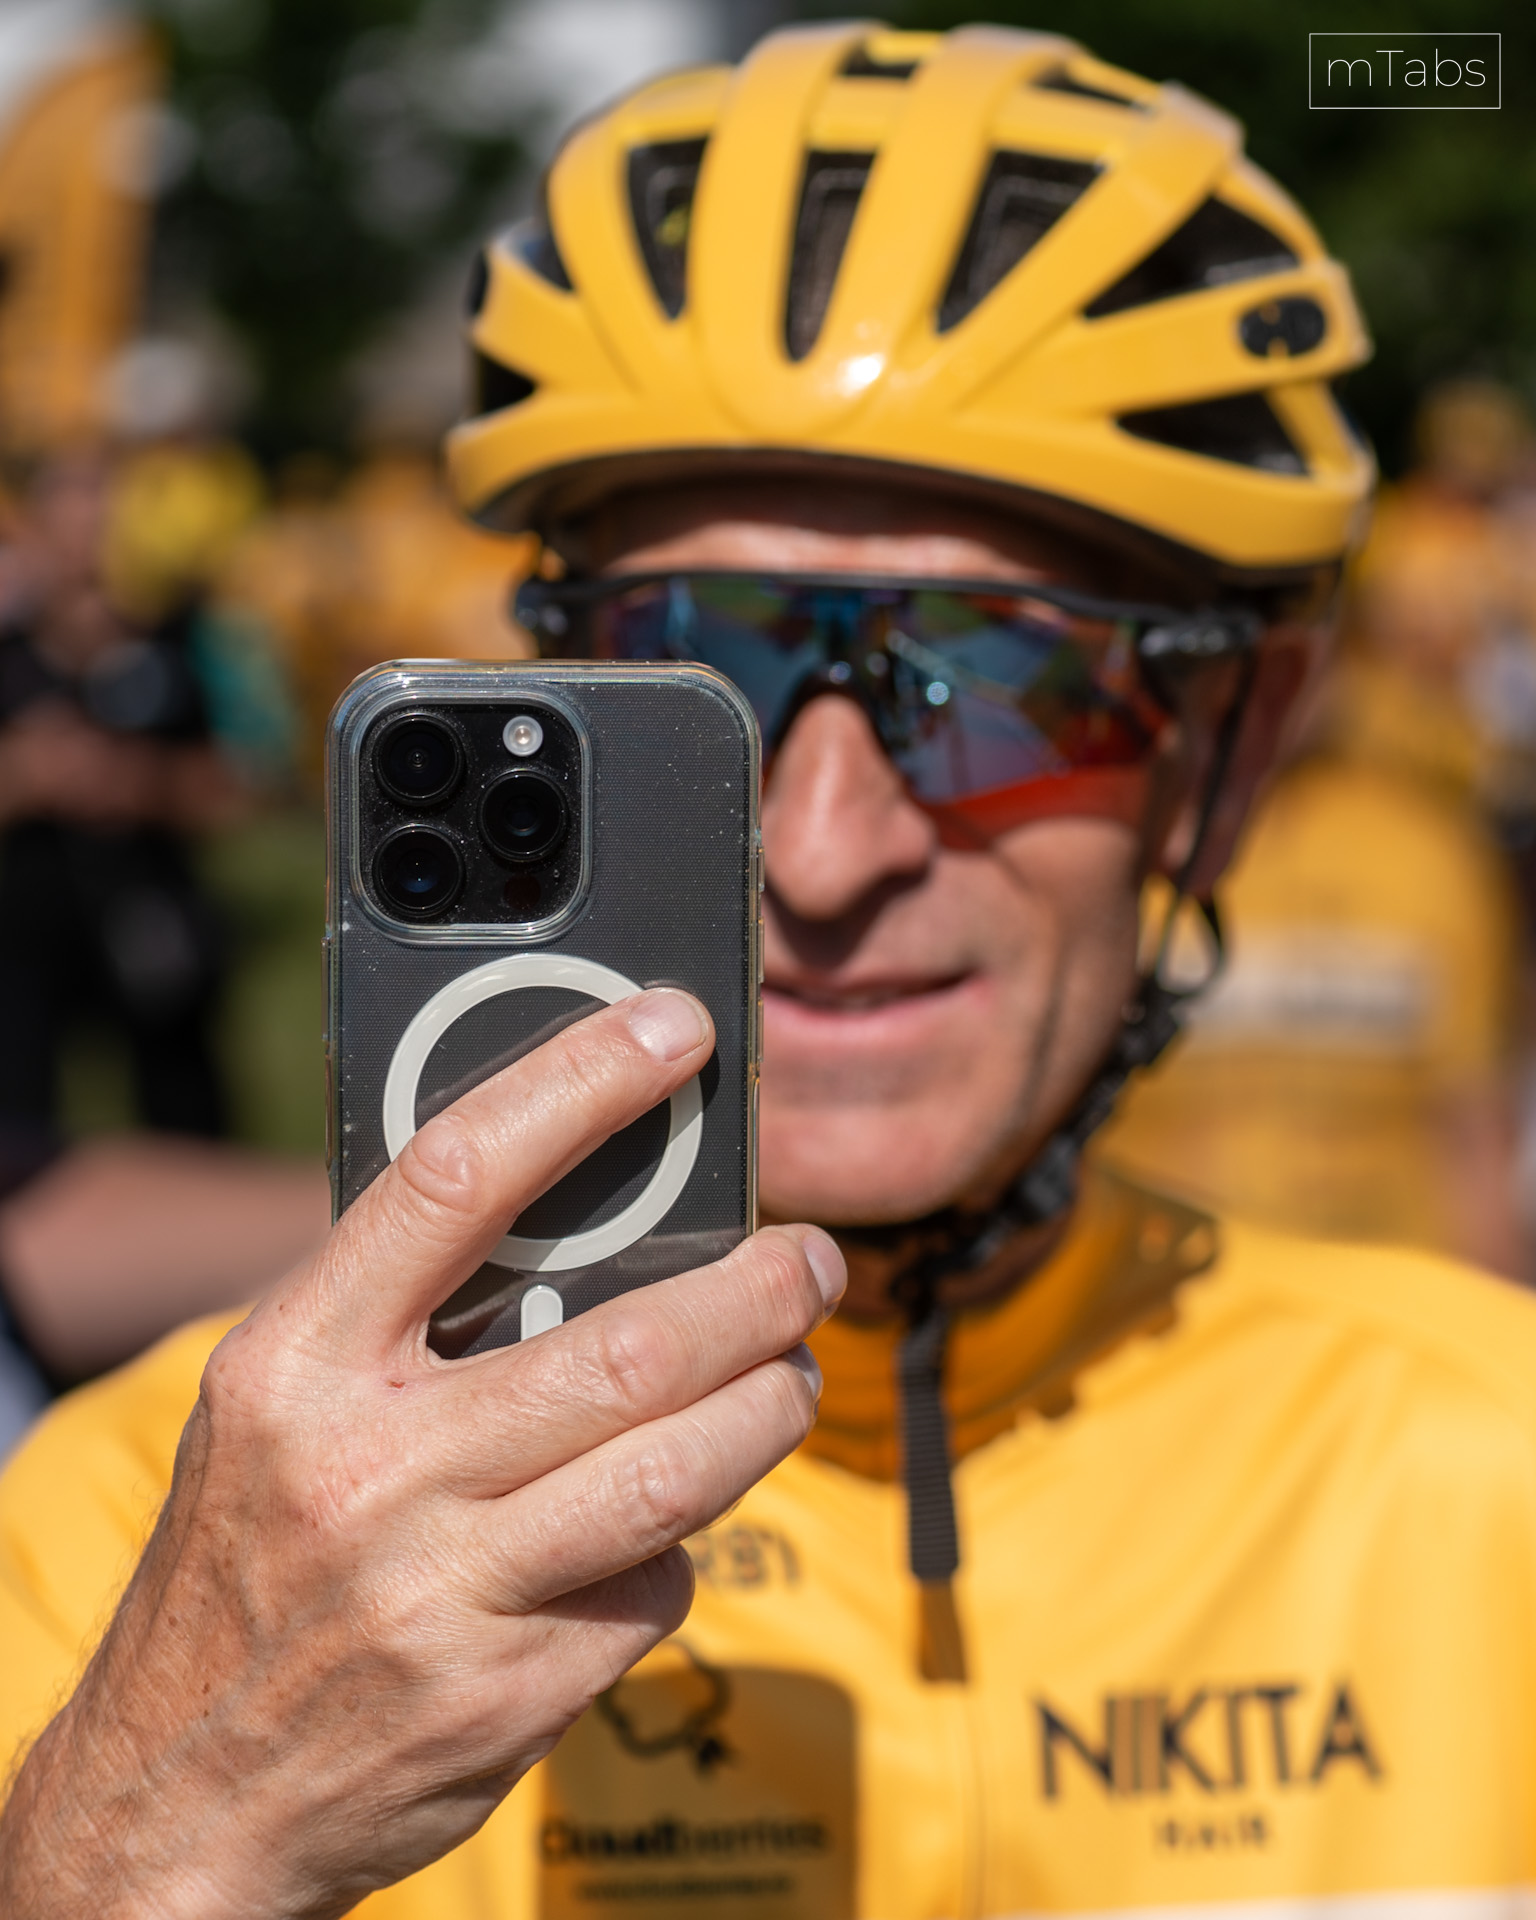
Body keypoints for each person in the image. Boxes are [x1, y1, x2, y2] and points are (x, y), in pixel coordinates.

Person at [4, 23, 1532, 1920]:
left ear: (1225, 754)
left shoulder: (1496, 1472)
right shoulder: (148, 1535)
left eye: (998, 678)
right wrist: (152, 1839)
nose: (820, 847)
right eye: (700, 667)